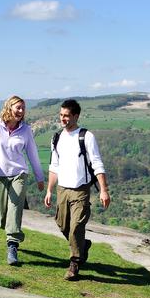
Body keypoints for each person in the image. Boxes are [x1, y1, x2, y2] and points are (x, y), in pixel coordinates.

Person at [44, 99, 110, 280]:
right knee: (62, 224)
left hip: (81, 189)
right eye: (61, 115)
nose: (63, 119)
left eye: (66, 115)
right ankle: (83, 245)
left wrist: (104, 190)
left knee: (75, 228)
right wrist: (49, 190)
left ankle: (74, 263)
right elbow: (54, 165)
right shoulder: (56, 137)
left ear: (76, 116)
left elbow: (97, 163)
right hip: (62, 188)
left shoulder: (86, 136)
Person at [0, 95, 45, 265]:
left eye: (23, 108)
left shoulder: (26, 130)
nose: (21, 111)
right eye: (18, 107)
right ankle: (10, 231)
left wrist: (40, 178)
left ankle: (12, 245)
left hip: (18, 174)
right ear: (9, 108)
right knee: (3, 214)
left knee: (15, 206)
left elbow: (33, 155)